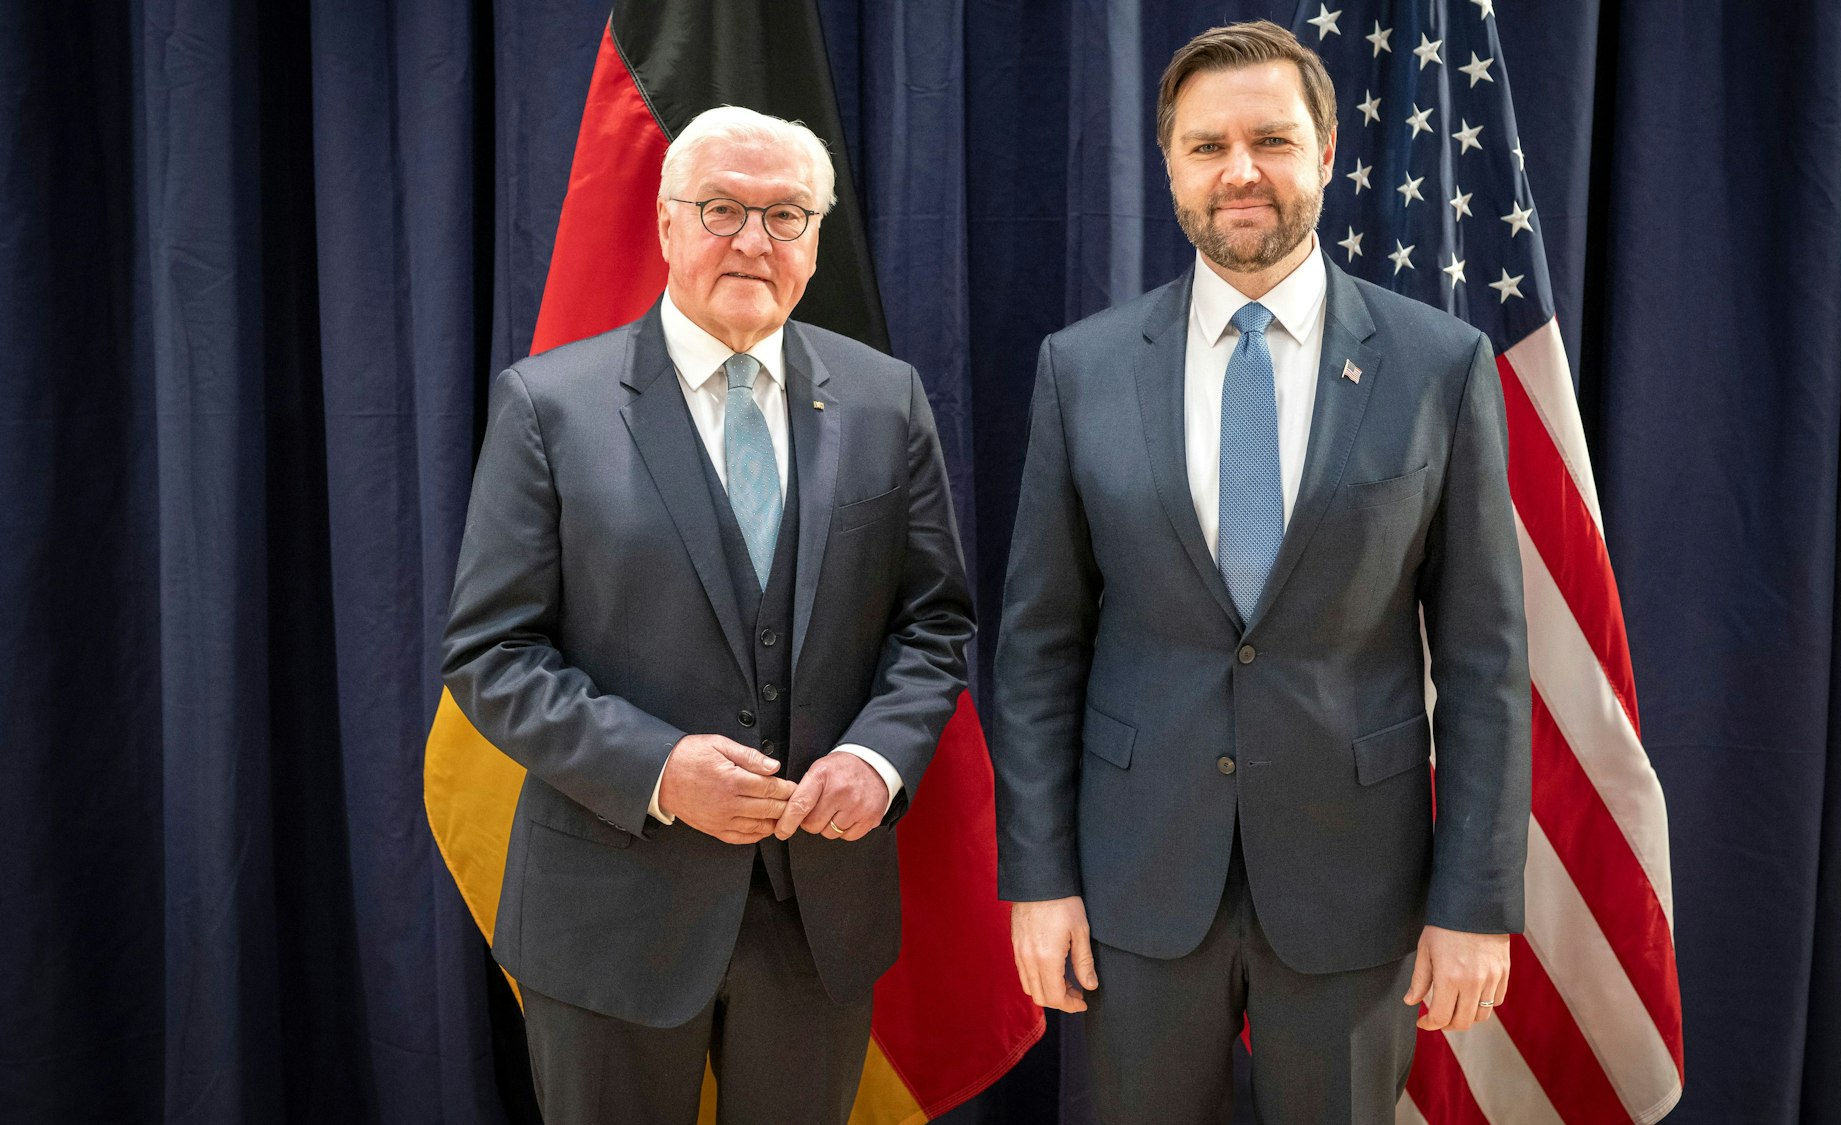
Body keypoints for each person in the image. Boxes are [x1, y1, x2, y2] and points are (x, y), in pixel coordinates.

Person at [991, 20, 1530, 1124]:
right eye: (1206, 145)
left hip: (1353, 888)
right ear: (1170, 164)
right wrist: (1038, 878)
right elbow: (1038, 650)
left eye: (1272, 140)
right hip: (1133, 885)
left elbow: (1483, 661)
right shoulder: (1079, 370)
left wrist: (1474, 902)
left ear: (1326, 155)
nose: (1239, 170)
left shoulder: (1438, 366)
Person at [440, 105, 973, 1125]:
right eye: (721, 208)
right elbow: (491, 653)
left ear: (814, 243)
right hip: (611, 913)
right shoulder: (548, 406)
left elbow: (934, 621)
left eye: (783, 216)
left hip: (816, 918)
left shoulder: (883, 400)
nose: (751, 240)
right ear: (666, 224)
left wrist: (879, 760)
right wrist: (657, 769)